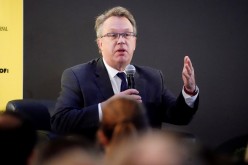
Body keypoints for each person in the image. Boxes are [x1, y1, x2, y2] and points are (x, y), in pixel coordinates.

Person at [50, 6, 199, 140]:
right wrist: (106, 108)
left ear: (134, 42)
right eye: (113, 35)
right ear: (100, 43)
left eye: (127, 35)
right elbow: (60, 122)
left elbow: (180, 117)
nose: (121, 41)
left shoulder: (152, 78)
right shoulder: (78, 76)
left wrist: (189, 91)